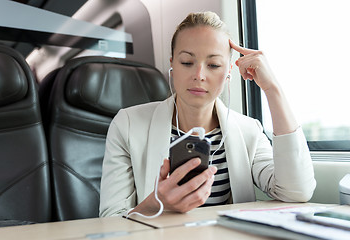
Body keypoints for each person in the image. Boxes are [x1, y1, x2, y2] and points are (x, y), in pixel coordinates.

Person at [99, 11, 316, 217]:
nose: (199, 75)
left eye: (213, 64)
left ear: (229, 71)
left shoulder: (248, 131)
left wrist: (273, 90)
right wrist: (157, 203)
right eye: (186, 62)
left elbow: (296, 192)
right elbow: (111, 221)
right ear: (172, 63)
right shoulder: (127, 125)